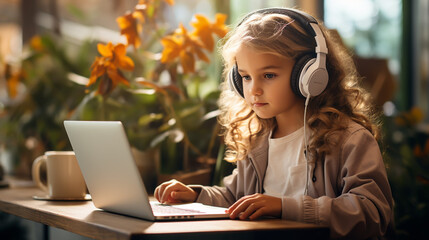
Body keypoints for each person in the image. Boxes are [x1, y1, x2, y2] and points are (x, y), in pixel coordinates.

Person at [154, 7, 394, 239]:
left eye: (268, 75)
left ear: (309, 75)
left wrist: (284, 207)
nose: (254, 89)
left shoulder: (349, 139)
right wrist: (196, 194)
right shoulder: (257, 139)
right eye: (246, 77)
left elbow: (373, 213)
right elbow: (235, 197)